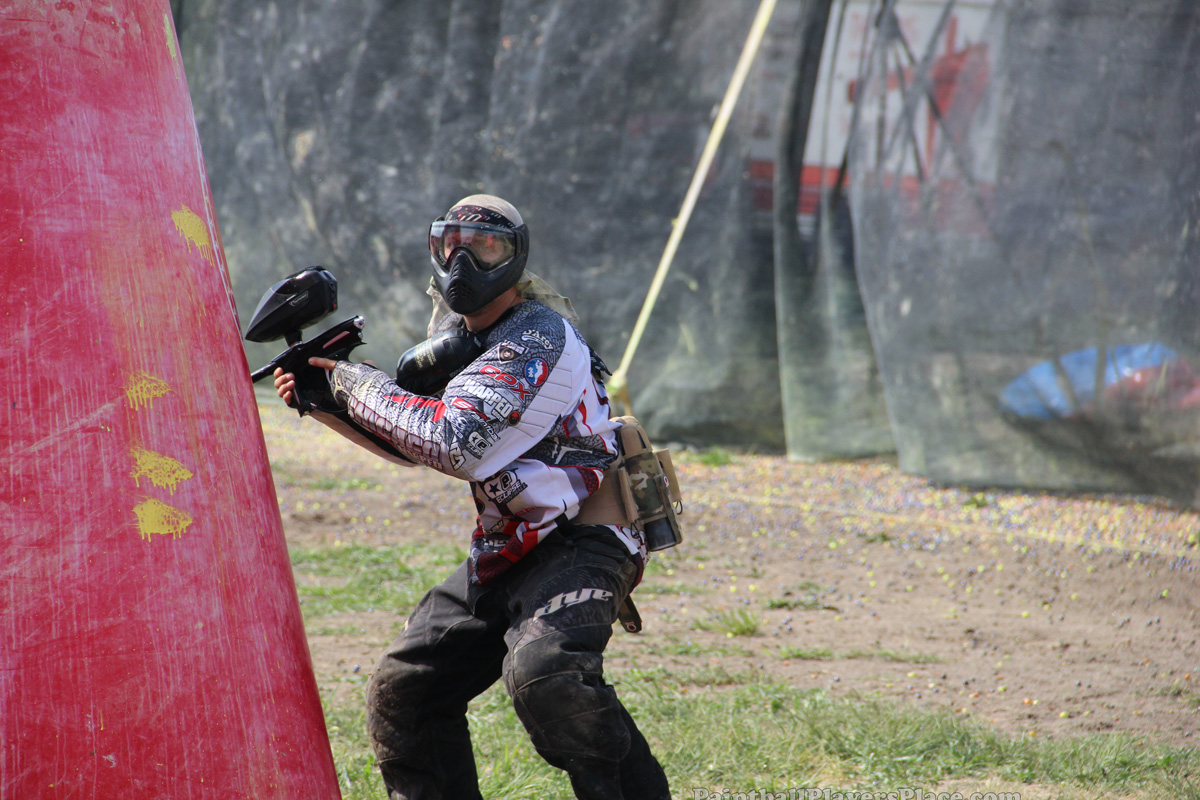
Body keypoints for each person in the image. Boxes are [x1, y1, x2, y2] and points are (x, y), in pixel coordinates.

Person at [274, 195, 671, 800]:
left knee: (547, 674)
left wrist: (354, 381)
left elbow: (456, 444)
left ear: (516, 257)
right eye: (451, 245)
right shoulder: (458, 344)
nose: (464, 262)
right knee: (407, 692)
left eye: (486, 247)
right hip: (511, 543)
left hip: (587, 536)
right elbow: (415, 445)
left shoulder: (537, 336)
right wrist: (324, 398)